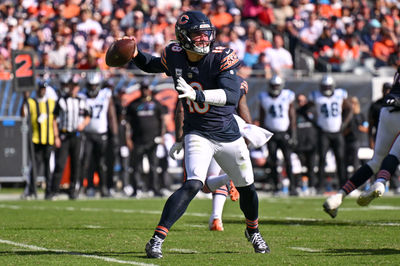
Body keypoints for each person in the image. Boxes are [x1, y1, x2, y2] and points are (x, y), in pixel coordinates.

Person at [125, 10, 270, 258]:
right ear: (183, 37)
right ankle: (157, 239)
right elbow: (152, 65)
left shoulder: (222, 56)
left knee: (247, 187)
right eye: (197, 34)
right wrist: (135, 54)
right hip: (198, 132)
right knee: (192, 184)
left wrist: (199, 95)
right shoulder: (174, 54)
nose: (204, 39)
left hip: (226, 131)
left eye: (206, 34)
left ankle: (253, 230)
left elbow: (232, 96)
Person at [323, 67, 400, 218]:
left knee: (376, 161)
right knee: (395, 154)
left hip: (387, 110)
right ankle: (380, 182)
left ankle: (338, 196)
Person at [48, 74, 91, 200]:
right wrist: (56, 136)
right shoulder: (62, 101)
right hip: (64, 135)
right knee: (60, 163)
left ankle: (73, 191)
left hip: (76, 136)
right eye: (72, 86)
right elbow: (54, 119)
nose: (74, 88)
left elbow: (88, 115)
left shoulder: (82, 101)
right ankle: (54, 190)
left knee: (76, 164)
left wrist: (83, 124)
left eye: (76, 86)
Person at [309, 75, 352, 194]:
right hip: (324, 132)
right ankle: (320, 186)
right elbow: (304, 109)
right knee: (322, 159)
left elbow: (350, 109)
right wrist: (314, 122)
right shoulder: (316, 96)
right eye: (324, 86)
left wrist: (344, 124)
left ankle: (344, 185)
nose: (326, 88)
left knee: (341, 158)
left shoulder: (340, 94)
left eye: (328, 86)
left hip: (337, 132)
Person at [126, 79, 167, 197]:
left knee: (153, 166)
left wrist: (162, 136)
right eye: (143, 88)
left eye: (146, 88)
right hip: (137, 140)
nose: (145, 91)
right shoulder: (133, 104)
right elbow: (127, 123)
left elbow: (162, 120)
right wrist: (128, 139)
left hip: (153, 140)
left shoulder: (156, 103)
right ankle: (136, 189)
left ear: (149, 89)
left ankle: (154, 188)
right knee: (136, 166)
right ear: (140, 90)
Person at [81, 72, 118, 198]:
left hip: (102, 134)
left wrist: (115, 133)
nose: (92, 88)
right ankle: (88, 187)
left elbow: (111, 115)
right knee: (87, 162)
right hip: (87, 134)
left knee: (102, 163)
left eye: (94, 85)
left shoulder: (105, 95)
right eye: (90, 85)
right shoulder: (82, 96)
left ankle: (103, 187)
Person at [259, 75, 297, 195]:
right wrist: (262, 134)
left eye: (277, 86)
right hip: (271, 133)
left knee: (288, 160)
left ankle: (292, 187)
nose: (275, 88)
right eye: (273, 86)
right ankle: (276, 186)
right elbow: (262, 118)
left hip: (284, 132)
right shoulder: (263, 97)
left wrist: (293, 134)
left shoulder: (287, 96)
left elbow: (292, 116)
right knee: (272, 161)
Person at [21, 82, 56, 199]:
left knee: (48, 167)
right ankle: (31, 191)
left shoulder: (51, 103)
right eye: (41, 89)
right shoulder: (31, 102)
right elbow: (23, 114)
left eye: (44, 89)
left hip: (49, 138)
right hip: (36, 139)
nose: (42, 91)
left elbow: (55, 120)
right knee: (35, 166)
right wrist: (24, 100)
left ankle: (49, 192)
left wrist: (56, 136)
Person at [294, 94, 318, 195]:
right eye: (299, 101)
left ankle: (312, 186)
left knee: (311, 166)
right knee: (298, 167)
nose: (301, 103)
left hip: (311, 143)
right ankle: (299, 186)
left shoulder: (312, 112)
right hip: (299, 144)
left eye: (303, 101)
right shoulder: (295, 113)